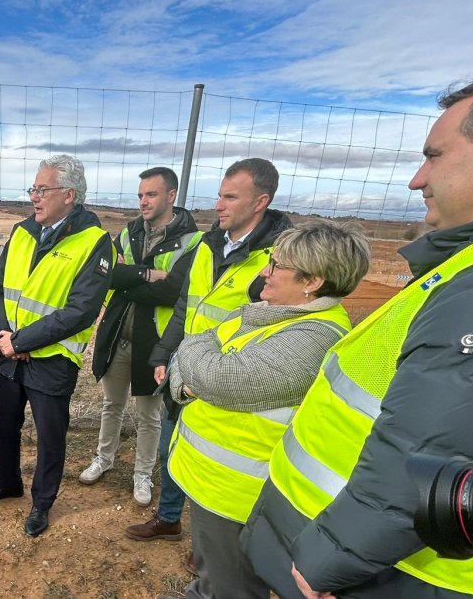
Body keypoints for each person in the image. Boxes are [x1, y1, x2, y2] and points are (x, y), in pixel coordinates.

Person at [242, 62, 473, 599]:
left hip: (384, 576)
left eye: (435, 155)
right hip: (369, 560)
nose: (417, 179)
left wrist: (330, 559)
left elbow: (434, 448)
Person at [159, 220, 369, 599]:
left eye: (276, 265)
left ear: (313, 281)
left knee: (231, 587)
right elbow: (199, 349)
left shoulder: (313, 337)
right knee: (213, 575)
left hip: (239, 496)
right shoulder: (267, 313)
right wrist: (190, 377)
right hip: (211, 482)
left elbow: (217, 375)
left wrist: (194, 363)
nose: (264, 273)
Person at [125, 158, 291, 545]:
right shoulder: (207, 244)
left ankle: (213, 543)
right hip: (186, 368)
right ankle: (169, 519)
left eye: (230, 197)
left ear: (261, 201)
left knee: (220, 460)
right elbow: (187, 305)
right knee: (173, 446)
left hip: (232, 378)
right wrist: (164, 353)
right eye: (219, 195)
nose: (218, 205)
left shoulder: (277, 259)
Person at [0, 154, 114, 537]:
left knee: (50, 436)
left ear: (69, 195)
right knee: (4, 424)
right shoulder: (22, 231)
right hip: (10, 352)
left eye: (42, 189)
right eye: (33, 189)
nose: (33, 197)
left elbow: (81, 311)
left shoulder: (95, 242)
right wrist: (4, 337)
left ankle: (42, 503)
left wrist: (21, 340)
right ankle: (8, 483)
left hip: (53, 359)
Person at [80, 166, 201, 507]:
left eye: (151, 194)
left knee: (149, 415)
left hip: (156, 344)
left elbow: (175, 292)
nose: (143, 201)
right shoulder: (128, 232)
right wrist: (147, 274)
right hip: (118, 336)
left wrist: (129, 282)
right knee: (112, 405)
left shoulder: (192, 241)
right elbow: (107, 275)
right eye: (140, 195)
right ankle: (104, 458)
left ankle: (143, 474)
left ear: (171, 196)